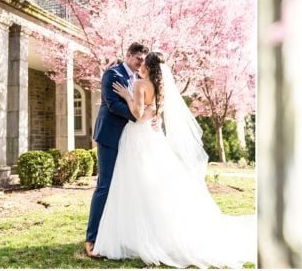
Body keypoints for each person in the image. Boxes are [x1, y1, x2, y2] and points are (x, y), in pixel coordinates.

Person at [92, 52, 256, 268]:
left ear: (148, 67)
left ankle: (135, 235)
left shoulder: (141, 84)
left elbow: (138, 114)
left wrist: (127, 95)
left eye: (143, 62)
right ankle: (151, 233)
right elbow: (154, 113)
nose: (140, 65)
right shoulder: (161, 89)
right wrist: (152, 112)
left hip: (137, 136)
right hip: (153, 137)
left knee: (135, 184)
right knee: (151, 185)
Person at [85, 42, 150, 258]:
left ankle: (117, 235)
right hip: (110, 136)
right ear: (129, 55)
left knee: (126, 185)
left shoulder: (138, 80)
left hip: (130, 138)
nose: (141, 63)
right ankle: (92, 238)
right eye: (138, 59)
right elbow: (112, 104)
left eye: (143, 60)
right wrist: (138, 115)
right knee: (105, 185)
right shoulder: (112, 74)